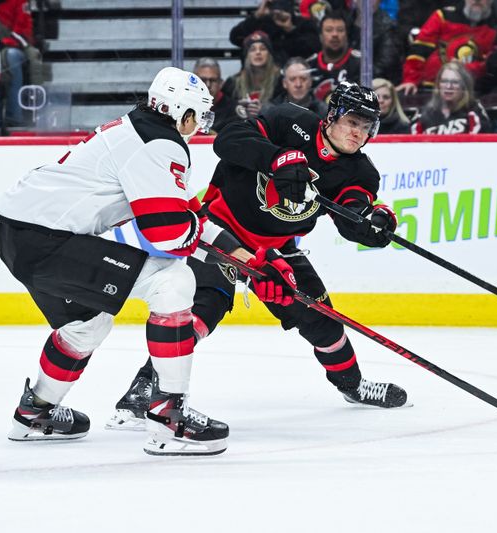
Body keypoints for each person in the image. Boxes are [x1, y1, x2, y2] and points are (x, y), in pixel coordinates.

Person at [0, 66, 294, 456]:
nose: (199, 126)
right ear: (182, 113)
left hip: (18, 236)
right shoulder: (159, 143)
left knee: (86, 325)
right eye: (198, 117)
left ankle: (34, 412)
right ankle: (170, 415)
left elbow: (187, 215)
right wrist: (240, 267)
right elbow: (167, 234)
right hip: (49, 241)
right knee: (173, 281)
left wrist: (247, 258)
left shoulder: (137, 129)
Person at [107, 81, 409, 432]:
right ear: (332, 116)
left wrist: (373, 224)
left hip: (278, 250)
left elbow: (351, 213)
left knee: (323, 319)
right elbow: (228, 139)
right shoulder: (288, 121)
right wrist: (277, 158)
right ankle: (144, 388)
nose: (358, 133)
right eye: (352, 121)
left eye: (367, 126)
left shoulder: (360, 171)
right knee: (203, 309)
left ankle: (352, 385)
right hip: (222, 232)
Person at [397, 0, 497, 95]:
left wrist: (466, 68)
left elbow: (490, 65)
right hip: (432, 89)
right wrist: (410, 80)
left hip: (473, 92)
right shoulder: (443, 16)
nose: (477, 0)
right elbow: (419, 51)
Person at [229, 0, 320, 66]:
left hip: (295, 74)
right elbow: (235, 38)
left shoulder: (304, 24)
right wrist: (256, 16)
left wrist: (290, 29)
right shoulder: (260, 23)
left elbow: (314, 47)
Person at [410, 60, 491, 134]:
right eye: (444, 81)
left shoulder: (474, 110)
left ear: (464, 86)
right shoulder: (424, 113)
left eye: (455, 82)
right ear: (438, 84)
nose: (448, 86)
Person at [222, 30, 282, 120]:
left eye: (263, 49)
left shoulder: (281, 81)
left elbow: (284, 110)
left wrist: (265, 110)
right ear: (247, 56)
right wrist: (238, 109)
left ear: (269, 54)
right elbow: (223, 112)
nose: (258, 52)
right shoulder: (233, 83)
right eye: (252, 49)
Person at [307, 10, 361, 102]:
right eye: (329, 30)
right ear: (320, 36)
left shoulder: (361, 64)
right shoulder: (309, 66)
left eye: (340, 30)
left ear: (346, 35)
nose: (335, 34)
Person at [193, 57, 239, 134]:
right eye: (203, 80)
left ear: (221, 83)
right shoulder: (182, 106)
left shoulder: (233, 111)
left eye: (213, 80)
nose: (208, 85)